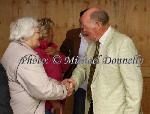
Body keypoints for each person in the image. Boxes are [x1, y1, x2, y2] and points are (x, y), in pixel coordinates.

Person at [62, 7, 143, 114]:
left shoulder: (123, 43)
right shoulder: (92, 44)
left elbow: (134, 88)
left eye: (84, 26)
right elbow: (82, 68)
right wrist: (73, 81)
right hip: (91, 109)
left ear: (98, 24)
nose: (82, 30)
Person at [1, 17, 68, 114]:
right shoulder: (27, 56)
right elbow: (43, 90)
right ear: (28, 34)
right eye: (37, 32)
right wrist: (64, 90)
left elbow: (37, 78)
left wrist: (58, 83)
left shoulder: (13, 48)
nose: (40, 36)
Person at [35, 18, 69, 114]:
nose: (53, 35)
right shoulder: (36, 52)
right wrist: (54, 103)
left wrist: (57, 54)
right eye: (51, 32)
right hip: (45, 103)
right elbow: (41, 81)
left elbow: (66, 66)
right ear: (44, 34)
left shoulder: (52, 48)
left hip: (55, 97)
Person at [60, 9, 89, 114]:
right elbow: (63, 52)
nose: (82, 25)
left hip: (96, 83)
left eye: (85, 23)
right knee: (79, 109)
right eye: (81, 22)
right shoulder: (72, 35)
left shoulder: (99, 36)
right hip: (79, 79)